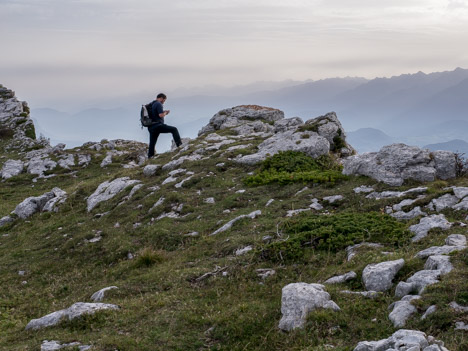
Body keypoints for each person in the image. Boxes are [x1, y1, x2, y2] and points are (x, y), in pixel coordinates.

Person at [147, 93, 182, 158]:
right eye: (164, 100)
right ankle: (180, 146)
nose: (164, 102)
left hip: (151, 127)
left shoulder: (152, 103)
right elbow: (161, 115)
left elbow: (155, 114)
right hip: (158, 126)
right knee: (174, 129)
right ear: (161, 98)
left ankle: (150, 157)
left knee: (152, 143)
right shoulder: (158, 104)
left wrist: (163, 112)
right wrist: (166, 113)